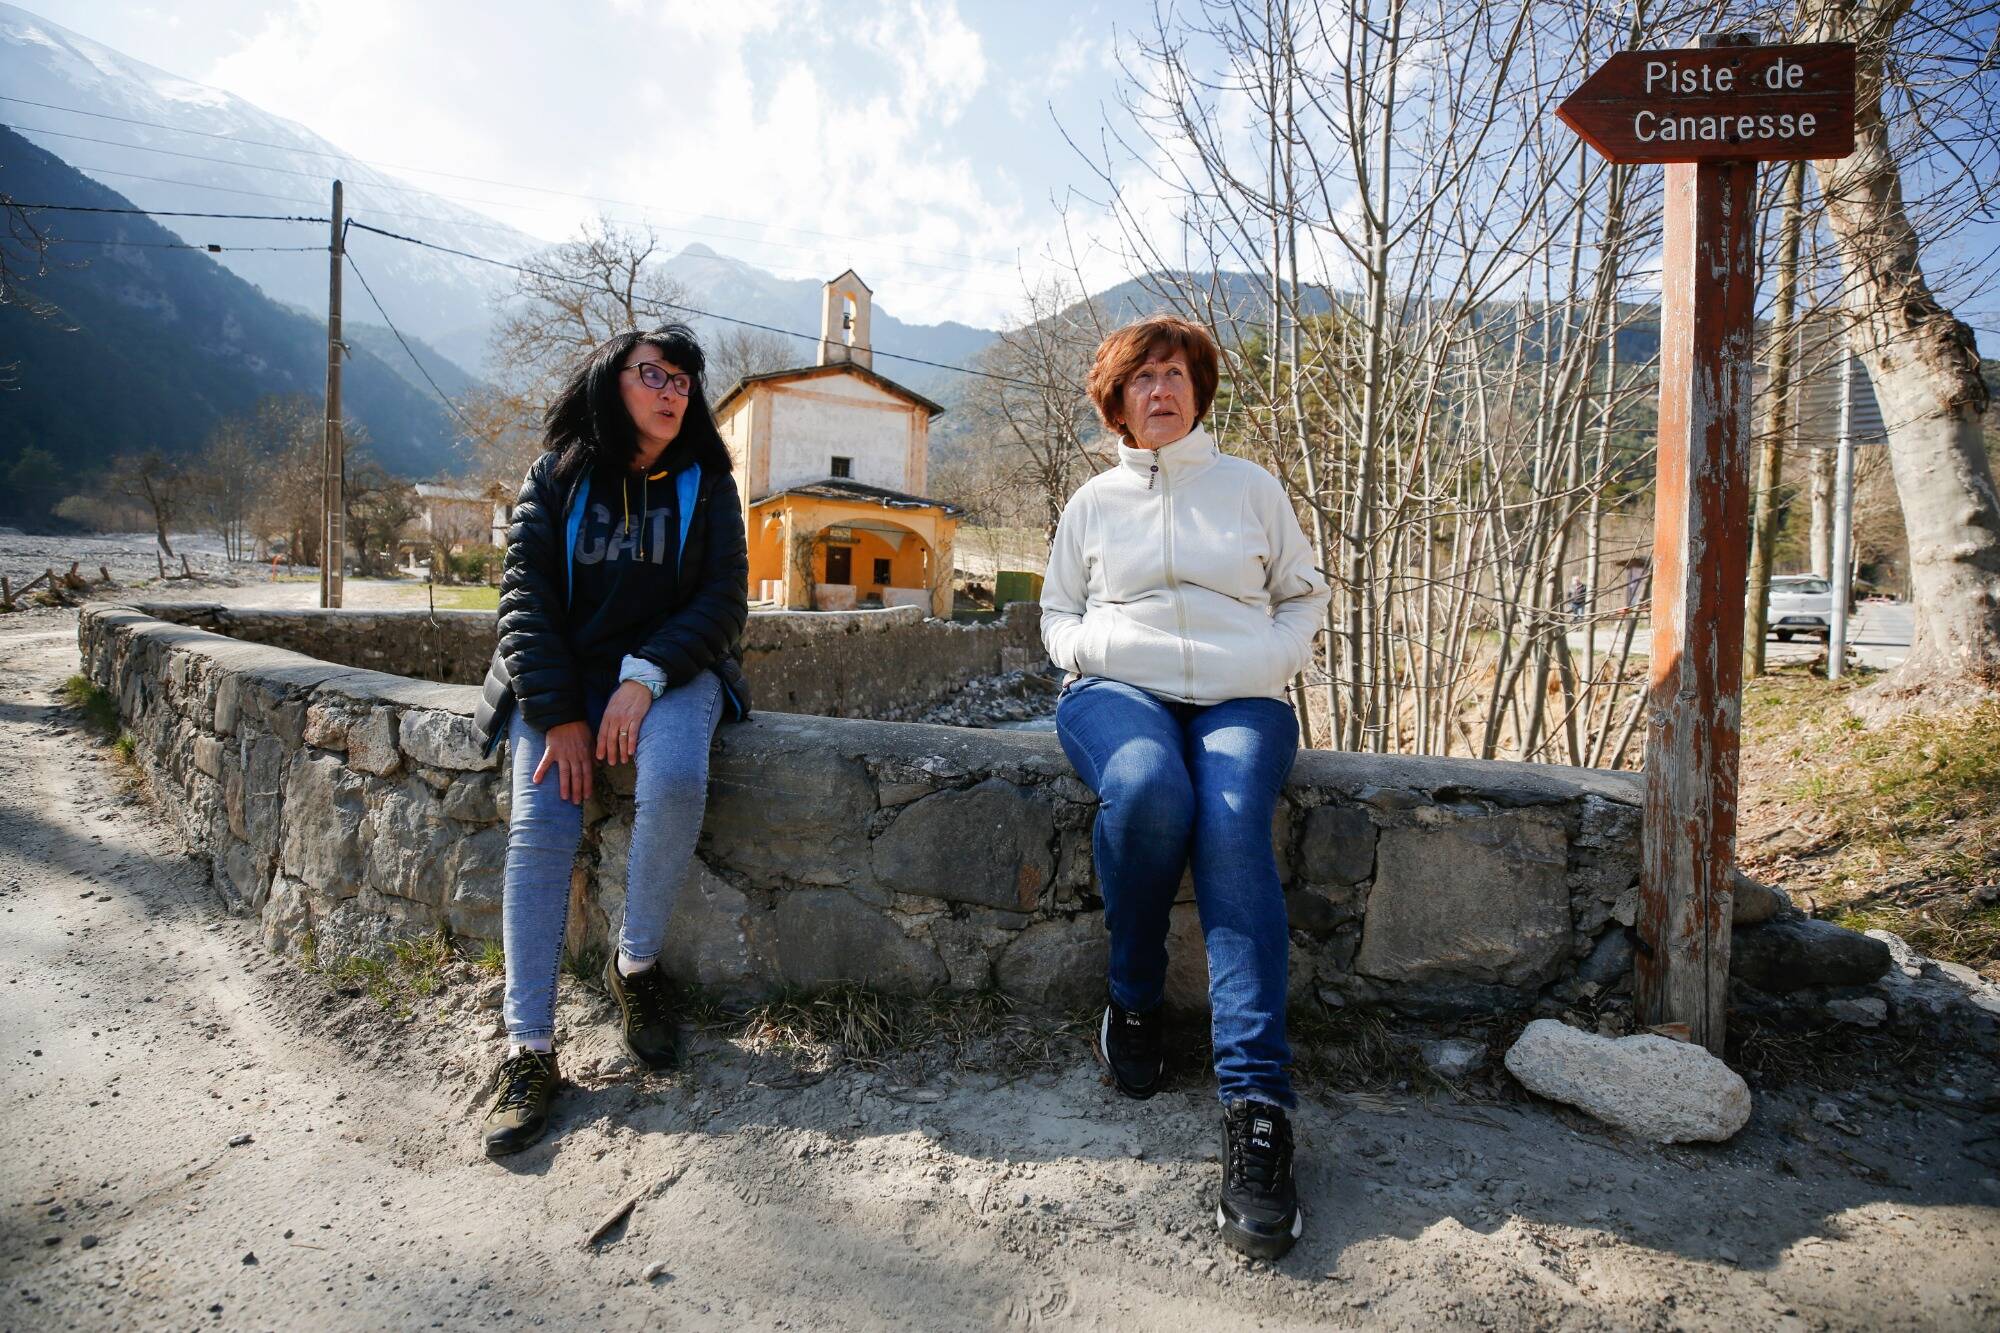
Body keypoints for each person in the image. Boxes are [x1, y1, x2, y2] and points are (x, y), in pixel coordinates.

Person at [1040, 314, 1330, 1259]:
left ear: (1199, 392)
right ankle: (1132, 999)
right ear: (1116, 401)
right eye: (1141, 379)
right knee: (1147, 786)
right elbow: (1054, 610)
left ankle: (1256, 1109)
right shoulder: (1091, 503)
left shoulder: (1251, 490)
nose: (1160, 389)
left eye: (1175, 374)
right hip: (1116, 691)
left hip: (1239, 699)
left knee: (1235, 816)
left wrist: (1270, 658)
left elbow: (1303, 592)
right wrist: (1092, 649)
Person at [471, 325, 751, 1157]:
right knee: (542, 822)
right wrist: (558, 714)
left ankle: (636, 968)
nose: (673, 392)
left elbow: (723, 603)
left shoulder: (707, 481)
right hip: (560, 682)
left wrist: (645, 677)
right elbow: (525, 603)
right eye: (653, 374)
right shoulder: (556, 475)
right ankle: (528, 1047)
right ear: (611, 381)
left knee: (672, 780)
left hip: (671, 675)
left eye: (684, 380)